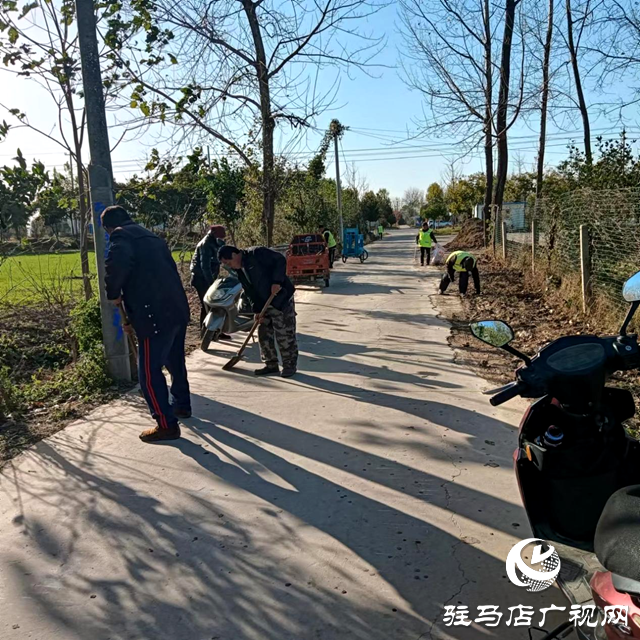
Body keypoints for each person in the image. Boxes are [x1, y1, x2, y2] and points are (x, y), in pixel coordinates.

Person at [103, 205, 191, 443]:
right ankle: (181, 405)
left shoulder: (121, 236)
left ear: (109, 227)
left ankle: (166, 424)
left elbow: (115, 265)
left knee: (149, 374)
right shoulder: (152, 237)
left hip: (154, 315)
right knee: (175, 361)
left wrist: (113, 293)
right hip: (176, 308)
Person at [219, 245, 298, 378]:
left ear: (234, 255)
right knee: (263, 333)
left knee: (284, 333)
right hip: (263, 303)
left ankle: (289, 365)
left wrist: (277, 281)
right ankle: (271, 364)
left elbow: (280, 260)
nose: (229, 266)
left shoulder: (256, 254)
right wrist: (256, 310)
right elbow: (249, 292)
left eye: (228, 262)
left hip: (280, 298)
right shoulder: (240, 271)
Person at [190, 225, 228, 336]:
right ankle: (205, 332)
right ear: (214, 233)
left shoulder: (217, 242)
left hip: (210, 277)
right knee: (206, 304)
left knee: (217, 304)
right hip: (200, 278)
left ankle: (217, 330)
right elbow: (205, 267)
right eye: (221, 235)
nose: (223, 237)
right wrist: (211, 284)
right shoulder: (205, 244)